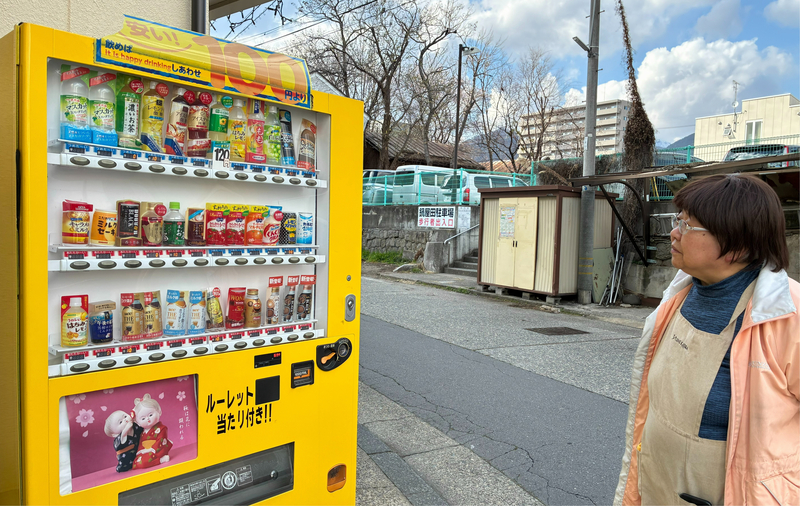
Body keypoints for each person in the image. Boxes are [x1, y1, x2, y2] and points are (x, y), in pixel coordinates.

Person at [614, 174, 799, 506]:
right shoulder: (679, 295)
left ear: (737, 244)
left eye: (687, 225)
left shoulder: (789, 317)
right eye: (678, 220)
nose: (674, 232)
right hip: (656, 482)